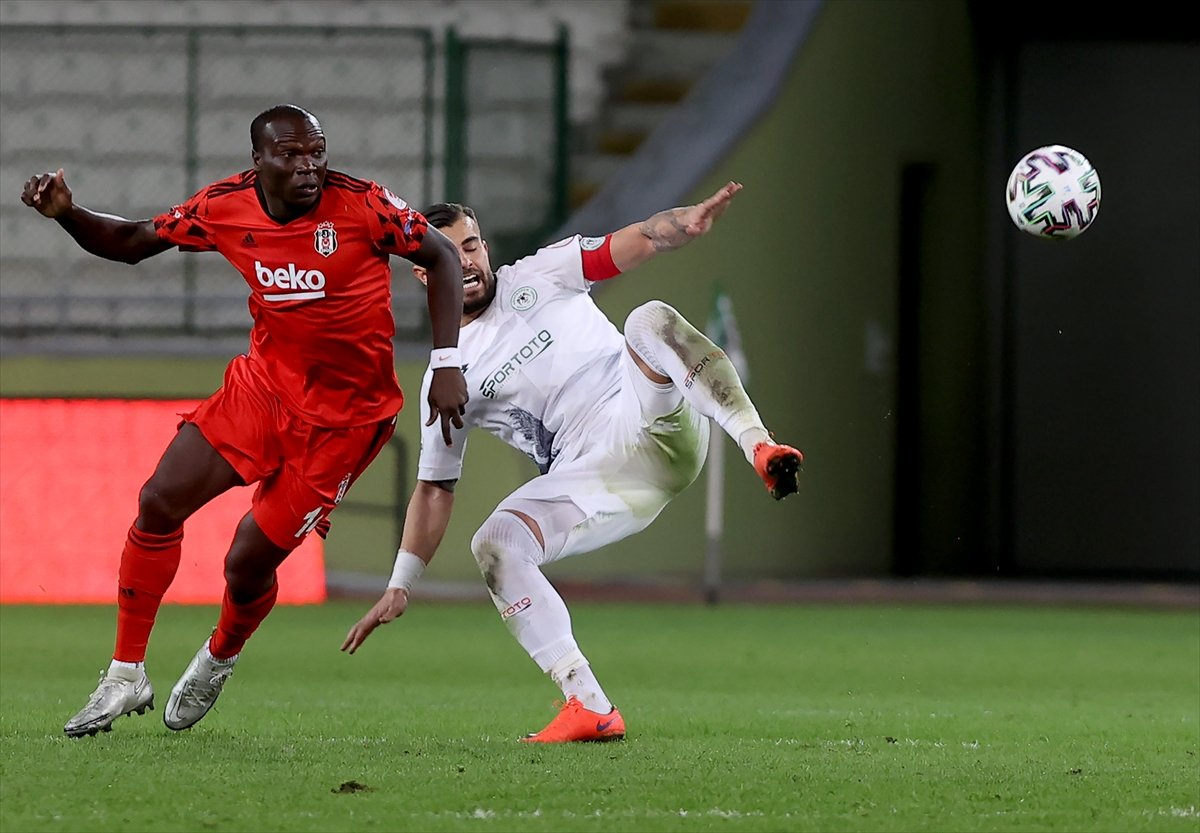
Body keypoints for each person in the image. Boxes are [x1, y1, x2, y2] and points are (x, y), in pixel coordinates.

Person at [21, 104, 469, 737]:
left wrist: (447, 360)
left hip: (345, 421)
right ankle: (125, 674)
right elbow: (131, 244)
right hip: (262, 390)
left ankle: (219, 654)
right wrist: (68, 212)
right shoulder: (225, 206)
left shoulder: (363, 205)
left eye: (316, 151)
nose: (309, 166)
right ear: (258, 161)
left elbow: (443, 255)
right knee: (158, 500)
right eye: (291, 155)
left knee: (245, 564)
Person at [341, 182, 803, 742]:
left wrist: (683, 223)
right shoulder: (448, 375)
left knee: (646, 318)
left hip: (646, 415)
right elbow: (436, 487)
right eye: (448, 251)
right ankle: (588, 704)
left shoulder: (542, 273)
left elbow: (636, 239)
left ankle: (759, 446)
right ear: (422, 271)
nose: (466, 260)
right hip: (598, 479)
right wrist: (400, 583)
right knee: (495, 544)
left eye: (473, 245)